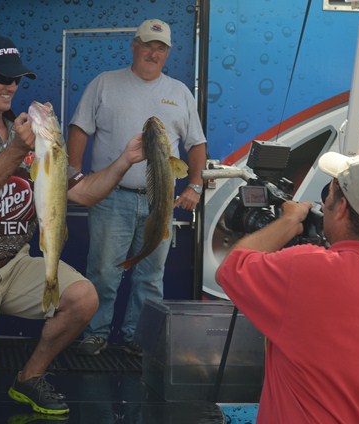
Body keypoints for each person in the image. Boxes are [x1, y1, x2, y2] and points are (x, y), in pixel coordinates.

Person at [0, 34, 144, 416]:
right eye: (1, 77)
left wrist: (125, 160)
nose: (11, 86)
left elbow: (85, 193)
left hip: (14, 265)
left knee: (83, 297)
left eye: (16, 79)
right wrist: (15, 150)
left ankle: (29, 377)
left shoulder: (34, 136)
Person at [216, 152, 359, 423]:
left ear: (342, 207)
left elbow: (230, 268)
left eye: (329, 193)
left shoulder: (308, 268)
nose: (324, 203)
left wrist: (288, 221)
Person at [66, 18, 207, 356]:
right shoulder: (105, 83)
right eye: (147, 45)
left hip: (161, 201)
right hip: (110, 198)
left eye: (161, 48)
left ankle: (139, 338)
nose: (153, 53)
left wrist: (195, 185)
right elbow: (79, 128)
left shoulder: (180, 92)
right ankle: (95, 333)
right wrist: (74, 176)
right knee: (103, 272)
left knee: (151, 276)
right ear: (134, 46)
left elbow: (197, 143)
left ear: (167, 53)